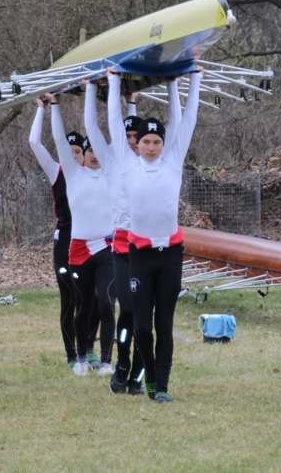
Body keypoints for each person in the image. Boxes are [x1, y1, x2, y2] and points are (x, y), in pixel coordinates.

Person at [107, 67, 203, 403]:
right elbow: (111, 123)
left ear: (163, 143)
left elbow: (185, 120)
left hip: (171, 255)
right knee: (142, 327)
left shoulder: (172, 161)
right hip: (140, 255)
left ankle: (160, 385)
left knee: (164, 324)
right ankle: (146, 377)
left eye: (156, 141)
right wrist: (113, 81)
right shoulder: (127, 163)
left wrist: (190, 79)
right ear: (138, 144)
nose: (151, 146)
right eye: (146, 141)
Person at [49, 88, 116, 377]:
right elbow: (59, 139)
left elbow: (114, 128)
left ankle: (106, 361)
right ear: (84, 155)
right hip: (78, 248)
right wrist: (54, 105)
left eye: (99, 151)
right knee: (83, 305)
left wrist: (126, 99)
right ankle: (79, 357)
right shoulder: (73, 174)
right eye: (90, 151)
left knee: (106, 300)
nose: (95, 156)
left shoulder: (113, 173)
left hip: (106, 247)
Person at [84, 89, 147, 394]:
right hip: (122, 246)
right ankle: (121, 366)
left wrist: (132, 101)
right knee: (128, 310)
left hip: (150, 248)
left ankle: (138, 375)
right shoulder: (111, 161)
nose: (133, 141)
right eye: (128, 137)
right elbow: (95, 126)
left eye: (137, 137)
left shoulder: (154, 163)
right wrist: (94, 88)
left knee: (144, 315)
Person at [28, 99, 85, 368]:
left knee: (91, 299)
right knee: (69, 299)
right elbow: (34, 142)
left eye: (78, 152)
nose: (73, 156)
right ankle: (71, 354)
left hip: (89, 241)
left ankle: (87, 350)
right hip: (64, 242)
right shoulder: (56, 171)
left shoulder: (92, 174)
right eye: (69, 151)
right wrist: (43, 108)